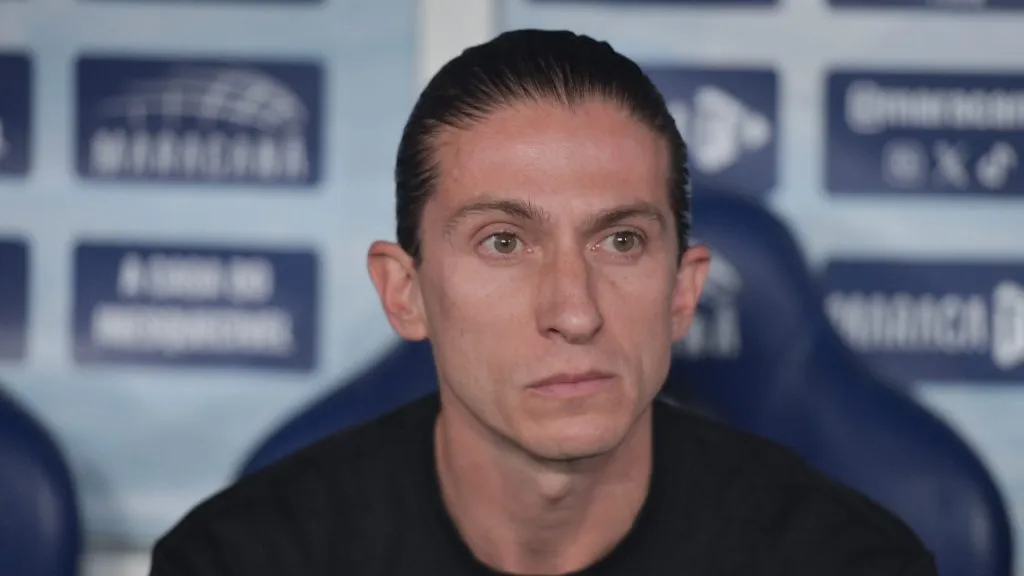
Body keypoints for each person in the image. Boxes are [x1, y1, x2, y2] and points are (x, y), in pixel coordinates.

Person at [149, 29, 937, 575]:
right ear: (406, 292)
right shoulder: (246, 559)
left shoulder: (843, 561)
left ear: (682, 292)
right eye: (503, 241)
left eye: (621, 241)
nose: (575, 310)